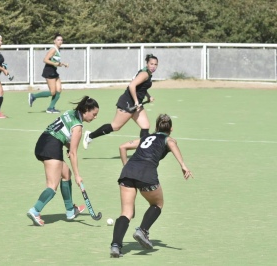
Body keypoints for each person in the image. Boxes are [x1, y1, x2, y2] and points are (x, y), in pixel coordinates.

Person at [109, 114, 193, 258]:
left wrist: (126, 166)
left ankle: (115, 245)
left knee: (126, 213)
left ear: (155, 127)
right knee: (157, 203)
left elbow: (122, 147)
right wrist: (183, 165)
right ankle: (143, 230)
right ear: (171, 128)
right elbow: (172, 144)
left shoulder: (145, 138)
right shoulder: (167, 139)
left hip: (128, 172)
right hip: (147, 174)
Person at [27, 96, 100, 226]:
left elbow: (63, 133)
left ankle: (70, 210)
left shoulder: (70, 113)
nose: (95, 117)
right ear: (86, 110)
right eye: (94, 114)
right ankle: (35, 210)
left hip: (43, 142)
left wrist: (67, 147)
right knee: (52, 186)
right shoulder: (78, 126)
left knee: (66, 174)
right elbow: (73, 153)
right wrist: (78, 176)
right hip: (52, 147)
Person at [83, 54, 158, 149]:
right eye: (151, 64)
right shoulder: (144, 74)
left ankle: (142, 151)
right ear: (147, 63)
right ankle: (89, 136)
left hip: (136, 104)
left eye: (155, 64)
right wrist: (136, 101)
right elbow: (132, 85)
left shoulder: (146, 72)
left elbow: (141, 87)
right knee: (115, 126)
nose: (153, 66)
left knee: (145, 126)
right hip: (128, 102)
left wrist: (148, 96)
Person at [28, 33, 69, 114]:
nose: (60, 41)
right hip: (49, 71)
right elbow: (45, 60)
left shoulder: (58, 49)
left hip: (54, 71)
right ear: (54, 41)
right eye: (58, 40)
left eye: (61, 40)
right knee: (52, 92)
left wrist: (63, 64)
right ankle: (33, 96)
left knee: (59, 90)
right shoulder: (53, 49)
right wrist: (55, 64)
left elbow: (55, 62)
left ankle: (50, 108)